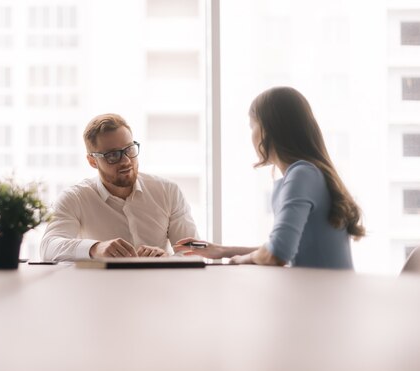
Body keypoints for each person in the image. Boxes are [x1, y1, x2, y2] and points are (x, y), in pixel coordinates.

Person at [175, 86, 365, 269]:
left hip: (324, 299)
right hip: (324, 295)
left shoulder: (302, 175)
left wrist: (239, 260)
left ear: (267, 129)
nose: (251, 136)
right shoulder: (307, 173)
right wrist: (223, 251)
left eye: (252, 126)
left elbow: (277, 253)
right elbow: (282, 247)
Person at [40, 113, 199, 261]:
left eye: (129, 149)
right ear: (92, 161)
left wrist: (166, 259)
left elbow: (194, 252)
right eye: (112, 155)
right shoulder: (75, 198)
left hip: (158, 287)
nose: (126, 161)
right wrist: (95, 248)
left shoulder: (168, 191)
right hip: (103, 289)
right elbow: (48, 247)